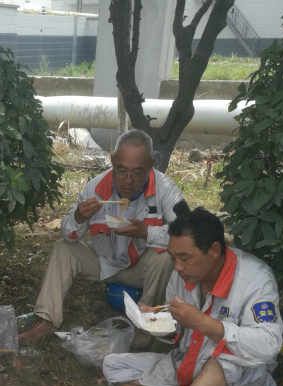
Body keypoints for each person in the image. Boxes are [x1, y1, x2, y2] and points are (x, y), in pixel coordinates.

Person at [102, 207, 283, 386]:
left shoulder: (255, 279)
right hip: (189, 364)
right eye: (173, 257)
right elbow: (177, 331)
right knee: (112, 366)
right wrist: (157, 321)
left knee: (225, 356)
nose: (177, 266)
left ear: (214, 250)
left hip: (245, 382)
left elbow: (269, 344)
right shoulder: (182, 275)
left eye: (185, 258)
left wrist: (205, 324)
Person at [19, 129, 184, 342]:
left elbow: (187, 234)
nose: (129, 180)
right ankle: (46, 320)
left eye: (137, 172)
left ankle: (145, 326)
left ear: (151, 164)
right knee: (63, 248)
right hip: (103, 264)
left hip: (141, 269)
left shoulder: (165, 189)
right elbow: (69, 235)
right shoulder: (95, 188)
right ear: (112, 161)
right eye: (121, 170)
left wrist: (146, 232)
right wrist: (78, 217)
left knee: (165, 257)